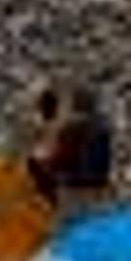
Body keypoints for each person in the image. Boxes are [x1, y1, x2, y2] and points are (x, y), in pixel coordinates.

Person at [48, 85, 113, 225]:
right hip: (97, 185)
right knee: (94, 224)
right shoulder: (102, 127)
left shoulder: (69, 128)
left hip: (72, 185)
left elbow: (60, 157)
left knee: (70, 226)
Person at [23, 86, 63, 201]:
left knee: (41, 193)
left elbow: (32, 141)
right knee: (47, 194)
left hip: (39, 160)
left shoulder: (38, 121)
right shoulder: (55, 123)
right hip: (47, 160)